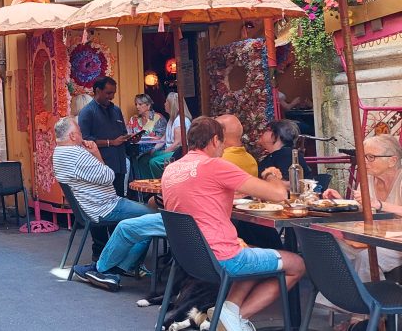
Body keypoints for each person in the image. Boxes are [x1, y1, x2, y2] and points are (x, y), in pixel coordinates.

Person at [85, 115, 263, 292]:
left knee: (136, 220)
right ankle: (115, 269)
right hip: (201, 221)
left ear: (218, 136)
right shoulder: (248, 159)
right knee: (140, 218)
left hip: (191, 223)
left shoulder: (215, 163)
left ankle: (103, 270)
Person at [163, 117, 305, 331]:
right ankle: (233, 319)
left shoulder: (172, 169)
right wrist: (271, 174)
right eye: (222, 143)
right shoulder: (215, 165)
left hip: (189, 258)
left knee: (252, 252)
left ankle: (228, 314)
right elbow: (278, 194)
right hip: (222, 258)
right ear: (214, 141)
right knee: (296, 264)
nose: (224, 148)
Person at [53, 116, 155, 286]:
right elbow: (109, 176)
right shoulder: (77, 154)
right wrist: (96, 153)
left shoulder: (57, 153)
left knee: (141, 219)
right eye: (79, 132)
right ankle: (119, 267)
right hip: (104, 206)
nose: (82, 135)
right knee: (152, 218)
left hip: (88, 207)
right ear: (72, 136)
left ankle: (115, 264)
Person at [323, 135, 402, 282]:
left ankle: (371, 300)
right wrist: (341, 202)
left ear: (392, 160)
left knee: (366, 257)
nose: (364, 161)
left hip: (396, 243)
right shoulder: (368, 180)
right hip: (372, 237)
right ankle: (337, 297)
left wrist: (379, 204)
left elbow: (375, 204)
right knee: (332, 246)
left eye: (371, 157)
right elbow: (363, 210)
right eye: (363, 156)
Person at [77, 76, 131, 196]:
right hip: (101, 167)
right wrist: (110, 142)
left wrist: (130, 139)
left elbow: (123, 133)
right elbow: (85, 141)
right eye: (108, 93)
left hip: (119, 165)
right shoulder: (87, 112)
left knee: (119, 199)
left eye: (113, 93)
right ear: (97, 91)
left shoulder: (116, 110)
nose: (112, 97)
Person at [146, 92, 192, 179]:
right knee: (145, 158)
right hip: (170, 150)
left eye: (166, 102)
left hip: (178, 152)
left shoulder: (180, 120)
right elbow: (164, 138)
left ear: (172, 105)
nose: (164, 104)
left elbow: (177, 144)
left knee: (154, 162)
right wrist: (154, 149)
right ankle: (146, 185)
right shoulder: (171, 120)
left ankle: (161, 183)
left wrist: (164, 152)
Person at [258, 119, 315, 185]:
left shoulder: (286, 154)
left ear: (277, 135)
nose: (261, 133)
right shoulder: (275, 155)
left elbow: (292, 185)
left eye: (267, 130)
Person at [129, 94, 168, 180]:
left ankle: (148, 188)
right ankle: (139, 190)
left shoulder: (158, 118)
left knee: (143, 160)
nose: (137, 107)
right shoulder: (134, 119)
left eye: (140, 104)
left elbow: (161, 138)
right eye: (136, 104)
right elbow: (129, 135)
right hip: (137, 151)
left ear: (148, 105)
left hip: (154, 150)